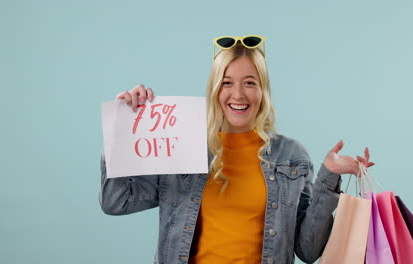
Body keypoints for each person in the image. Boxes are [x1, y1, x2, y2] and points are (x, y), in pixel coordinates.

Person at [99, 35, 374, 264]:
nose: (238, 94)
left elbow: (309, 250)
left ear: (263, 90)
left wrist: (329, 177)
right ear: (215, 89)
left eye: (250, 83)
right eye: (227, 82)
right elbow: (116, 202)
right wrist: (120, 129)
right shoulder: (181, 144)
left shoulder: (291, 156)